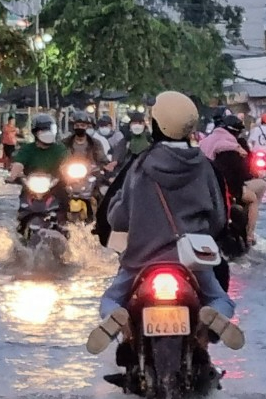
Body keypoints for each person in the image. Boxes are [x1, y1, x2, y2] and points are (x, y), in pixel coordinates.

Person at [88, 91, 244, 355]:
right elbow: (218, 219)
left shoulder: (139, 166)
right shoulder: (204, 166)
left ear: (156, 124)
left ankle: (119, 320)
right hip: (192, 262)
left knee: (112, 297)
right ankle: (210, 323)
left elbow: (118, 217)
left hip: (141, 259)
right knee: (220, 298)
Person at [201, 114, 265, 250]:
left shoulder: (207, 141)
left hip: (205, 187)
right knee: (253, 198)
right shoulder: (232, 148)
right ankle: (250, 234)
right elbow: (241, 173)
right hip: (228, 188)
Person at [8, 114, 71, 217]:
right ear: (35, 132)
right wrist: (13, 175)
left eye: (49, 130)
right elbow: (18, 164)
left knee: (64, 206)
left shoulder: (60, 149)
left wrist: (67, 175)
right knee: (23, 213)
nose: (47, 133)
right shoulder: (27, 149)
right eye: (43, 130)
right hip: (31, 187)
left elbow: (66, 164)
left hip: (55, 185)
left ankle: (64, 227)